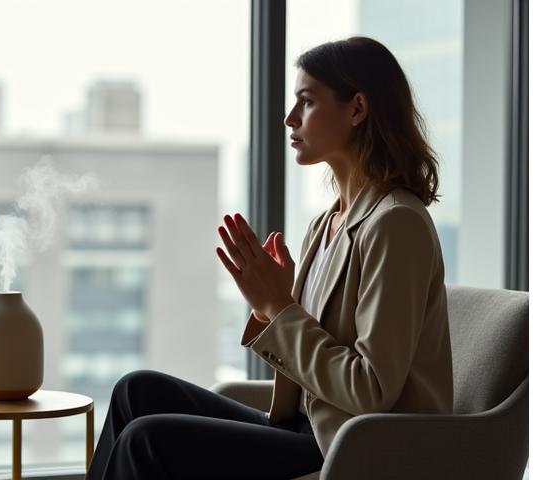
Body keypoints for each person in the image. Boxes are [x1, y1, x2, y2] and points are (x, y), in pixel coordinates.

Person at [85, 36, 453, 479]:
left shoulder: (396, 224)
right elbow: (312, 347)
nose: (289, 118)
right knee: (135, 391)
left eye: (307, 102)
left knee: (147, 440)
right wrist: (270, 305)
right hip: (308, 428)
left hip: (356, 447)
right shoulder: (327, 224)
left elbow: (370, 389)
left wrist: (281, 308)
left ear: (356, 109)